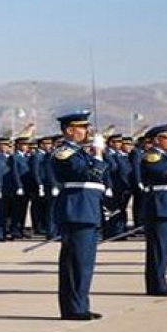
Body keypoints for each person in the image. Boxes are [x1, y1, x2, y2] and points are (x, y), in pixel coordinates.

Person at [51, 112, 108, 320]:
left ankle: (80, 304)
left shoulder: (79, 152)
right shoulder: (64, 152)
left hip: (86, 209)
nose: (86, 131)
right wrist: (98, 154)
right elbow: (89, 173)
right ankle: (73, 308)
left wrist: (95, 154)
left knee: (84, 262)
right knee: (76, 262)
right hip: (76, 210)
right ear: (69, 130)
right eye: (82, 127)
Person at [140, 124, 167, 296]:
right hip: (159, 206)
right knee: (158, 249)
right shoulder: (152, 157)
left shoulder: (165, 157)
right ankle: (157, 285)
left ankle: (160, 283)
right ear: (157, 140)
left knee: (163, 249)